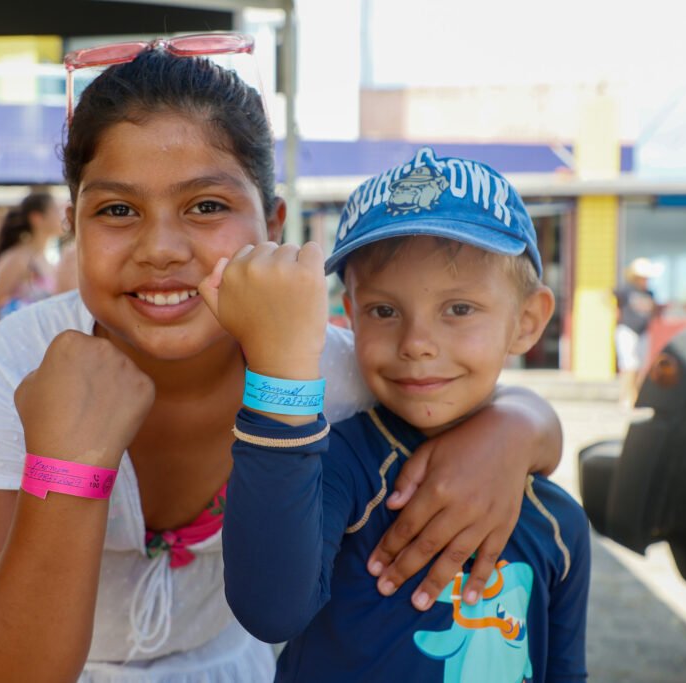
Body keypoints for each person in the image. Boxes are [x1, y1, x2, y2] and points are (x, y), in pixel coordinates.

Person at [0, 38, 564, 683]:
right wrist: (68, 465)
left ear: (272, 224)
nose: (161, 246)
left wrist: (517, 427)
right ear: (74, 227)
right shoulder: (14, 368)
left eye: (207, 205)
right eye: (116, 209)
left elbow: (459, 392)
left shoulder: (330, 374)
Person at [208, 150, 591, 682]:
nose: (416, 344)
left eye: (458, 309)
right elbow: (270, 610)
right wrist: (277, 375)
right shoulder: (339, 465)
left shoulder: (560, 524)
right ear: (352, 315)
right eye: (384, 311)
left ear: (527, 322)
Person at [0, 191, 63, 327]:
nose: (62, 217)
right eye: (56, 210)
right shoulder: (17, 259)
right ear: (37, 218)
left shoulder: (47, 260)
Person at [614, 257, 662, 407]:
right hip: (627, 330)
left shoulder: (650, 294)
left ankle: (636, 398)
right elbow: (613, 299)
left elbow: (655, 311)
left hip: (643, 332)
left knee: (641, 367)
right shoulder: (626, 290)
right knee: (629, 365)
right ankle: (626, 398)